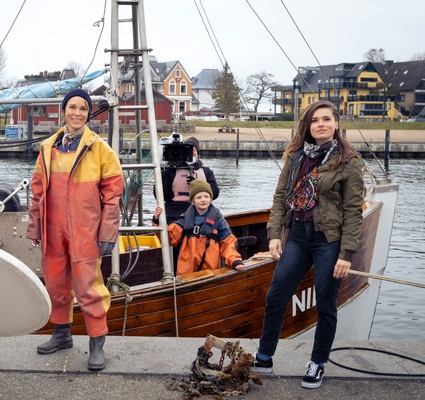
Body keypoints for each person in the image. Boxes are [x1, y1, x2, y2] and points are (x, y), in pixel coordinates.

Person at [252, 100, 364, 389]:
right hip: (298, 238)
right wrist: (275, 233)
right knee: (276, 296)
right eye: (315, 120)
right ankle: (264, 356)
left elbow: (353, 210)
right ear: (308, 126)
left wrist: (346, 254)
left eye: (326, 119)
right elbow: (280, 197)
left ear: (336, 124)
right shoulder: (296, 157)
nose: (321, 124)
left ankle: (318, 363)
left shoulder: (348, 160)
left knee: (326, 303)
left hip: (329, 240)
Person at [25, 88, 123, 371]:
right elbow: (38, 191)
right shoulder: (47, 148)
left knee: (88, 288)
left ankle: (96, 343)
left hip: (85, 232)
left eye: (82, 108)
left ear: (89, 113)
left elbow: (113, 196)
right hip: (53, 230)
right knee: (55, 284)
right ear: (63, 110)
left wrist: (107, 233)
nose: (77, 113)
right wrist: (35, 227)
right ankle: (61, 334)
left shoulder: (101, 150)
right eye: (72, 107)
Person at [153, 180, 244, 275]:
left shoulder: (219, 220)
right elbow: (169, 237)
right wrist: (157, 220)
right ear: (193, 201)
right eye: (199, 197)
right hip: (186, 272)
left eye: (206, 196)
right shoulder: (184, 219)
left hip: (210, 271)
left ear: (211, 199)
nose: (203, 200)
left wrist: (234, 260)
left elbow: (228, 243)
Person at [159, 136, 219, 223]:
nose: (191, 152)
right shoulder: (171, 171)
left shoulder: (206, 172)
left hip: (200, 210)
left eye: (194, 150)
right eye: (188, 149)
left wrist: (198, 184)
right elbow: (161, 196)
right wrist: (163, 175)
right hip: (174, 211)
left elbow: (215, 193)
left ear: (198, 154)